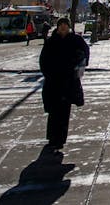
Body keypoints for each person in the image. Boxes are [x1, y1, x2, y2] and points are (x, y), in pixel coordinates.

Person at [39, 17, 90, 151]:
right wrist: (47, 73)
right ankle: (52, 137)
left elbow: (85, 51)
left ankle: (60, 139)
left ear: (68, 26)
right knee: (53, 110)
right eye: (60, 25)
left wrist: (81, 66)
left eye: (65, 25)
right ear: (57, 27)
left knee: (64, 111)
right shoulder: (51, 41)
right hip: (53, 80)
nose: (63, 27)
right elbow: (43, 59)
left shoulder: (75, 40)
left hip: (68, 80)